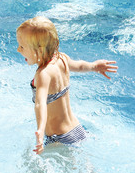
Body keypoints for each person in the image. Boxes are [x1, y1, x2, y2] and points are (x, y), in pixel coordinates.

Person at [16, 16, 118, 154]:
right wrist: (94, 66)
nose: (18, 50)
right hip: (77, 129)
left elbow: (40, 103)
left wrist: (40, 130)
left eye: (22, 46)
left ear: (39, 50)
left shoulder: (43, 74)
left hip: (60, 137)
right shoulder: (61, 58)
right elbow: (80, 66)